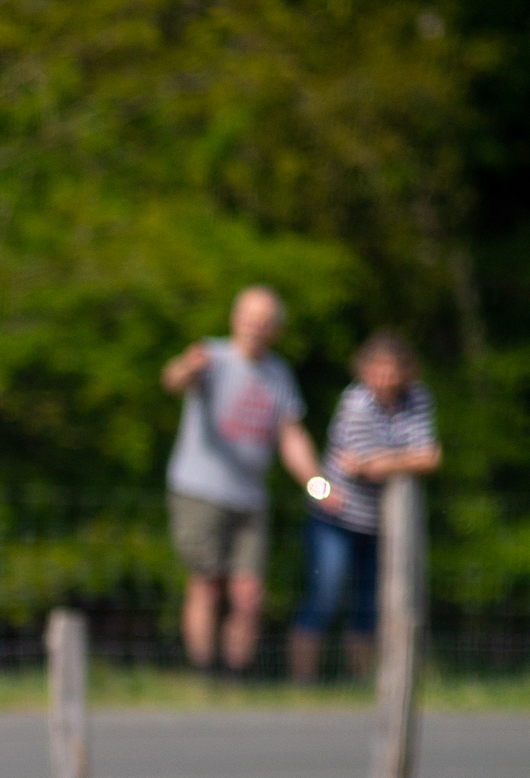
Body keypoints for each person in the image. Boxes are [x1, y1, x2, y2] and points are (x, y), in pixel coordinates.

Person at [162, 286, 319, 673]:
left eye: (264, 321)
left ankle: (236, 675)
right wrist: (187, 368)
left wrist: (318, 484)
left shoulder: (278, 374)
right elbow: (173, 379)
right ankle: (204, 673)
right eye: (249, 319)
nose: (255, 327)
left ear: (276, 329)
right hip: (199, 490)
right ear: (235, 320)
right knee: (206, 584)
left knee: (249, 594)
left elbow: (290, 435)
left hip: (249, 497)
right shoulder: (211, 357)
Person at [290, 331, 442, 684]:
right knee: (324, 594)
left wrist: (387, 462)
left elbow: (429, 457)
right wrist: (404, 460)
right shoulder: (355, 401)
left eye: (392, 371)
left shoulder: (418, 398)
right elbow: (356, 464)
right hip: (337, 516)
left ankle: (359, 681)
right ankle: (302, 681)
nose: (385, 379)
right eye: (378, 370)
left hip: (384, 522)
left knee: (368, 605)